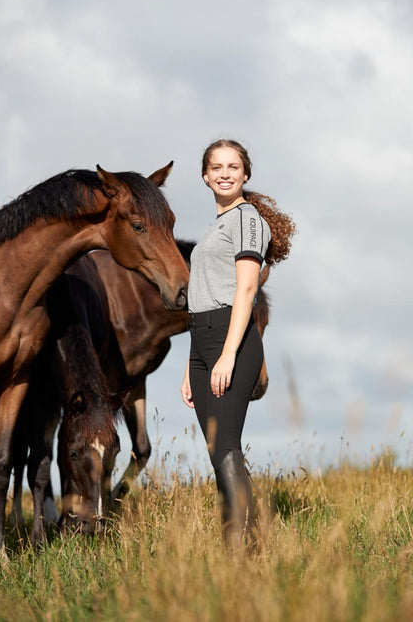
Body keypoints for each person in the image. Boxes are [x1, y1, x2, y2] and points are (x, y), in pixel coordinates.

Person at [180, 138, 295, 548]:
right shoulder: (218, 226)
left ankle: (247, 550)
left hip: (233, 340)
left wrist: (227, 355)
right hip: (203, 342)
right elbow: (203, 295)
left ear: (245, 174)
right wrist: (190, 366)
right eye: (217, 167)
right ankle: (240, 541)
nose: (225, 173)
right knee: (217, 451)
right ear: (205, 176)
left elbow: (246, 291)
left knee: (225, 446)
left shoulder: (247, 220)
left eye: (233, 166)